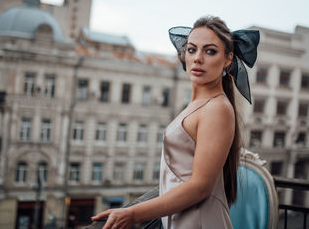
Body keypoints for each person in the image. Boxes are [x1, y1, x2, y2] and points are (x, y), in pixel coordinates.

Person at [91, 16, 259, 229]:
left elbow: (200, 187)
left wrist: (133, 213)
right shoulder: (199, 104)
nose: (197, 58)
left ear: (228, 59)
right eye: (191, 49)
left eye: (210, 51)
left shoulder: (217, 109)